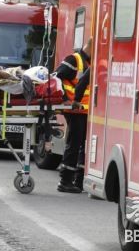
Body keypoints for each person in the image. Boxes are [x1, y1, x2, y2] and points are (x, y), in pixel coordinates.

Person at [55, 38, 92, 193]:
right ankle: (65, 180)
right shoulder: (74, 59)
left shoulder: (90, 63)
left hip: (85, 110)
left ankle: (78, 181)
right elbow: (56, 77)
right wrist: (66, 100)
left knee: (84, 145)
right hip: (74, 109)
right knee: (75, 143)